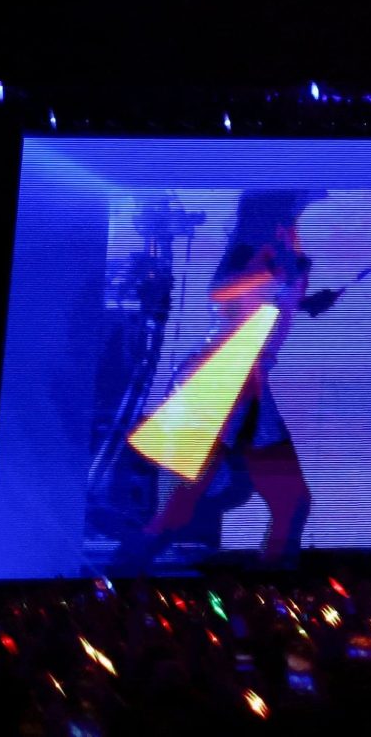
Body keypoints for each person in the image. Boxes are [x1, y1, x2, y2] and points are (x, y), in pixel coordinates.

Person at [123, 191, 344, 568]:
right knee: (181, 510)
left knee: (289, 504)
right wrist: (279, 273)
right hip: (216, 382)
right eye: (301, 195)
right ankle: (112, 585)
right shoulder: (254, 245)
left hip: (248, 384)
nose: (310, 198)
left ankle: (271, 594)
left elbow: (268, 298)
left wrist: (305, 303)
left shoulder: (284, 240)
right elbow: (222, 291)